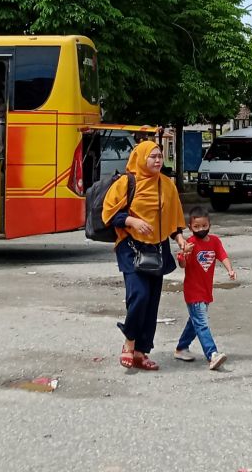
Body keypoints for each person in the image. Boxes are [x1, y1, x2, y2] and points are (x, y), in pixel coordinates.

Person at [101, 141, 188, 371]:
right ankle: (129, 343)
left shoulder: (167, 185)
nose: (158, 160)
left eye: (160, 156)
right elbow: (109, 215)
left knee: (151, 302)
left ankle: (141, 351)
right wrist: (132, 221)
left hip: (157, 250)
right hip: (130, 247)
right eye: (153, 157)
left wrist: (179, 239)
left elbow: (174, 219)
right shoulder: (126, 183)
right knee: (138, 295)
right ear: (140, 158)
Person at [173, 206, 235, 370]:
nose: (201, 229)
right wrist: (183, 255)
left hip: (206, 290)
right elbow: (183, 264)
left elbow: (222, 255)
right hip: (193, 291)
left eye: (204, 226)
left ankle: (181, 348)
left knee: (195, 322)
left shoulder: (215, 241)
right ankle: (212, 354)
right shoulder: (190, 244)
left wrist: (230, 269)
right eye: (197, 227)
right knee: (201, 322)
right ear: (190, 227)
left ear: (209, 225)